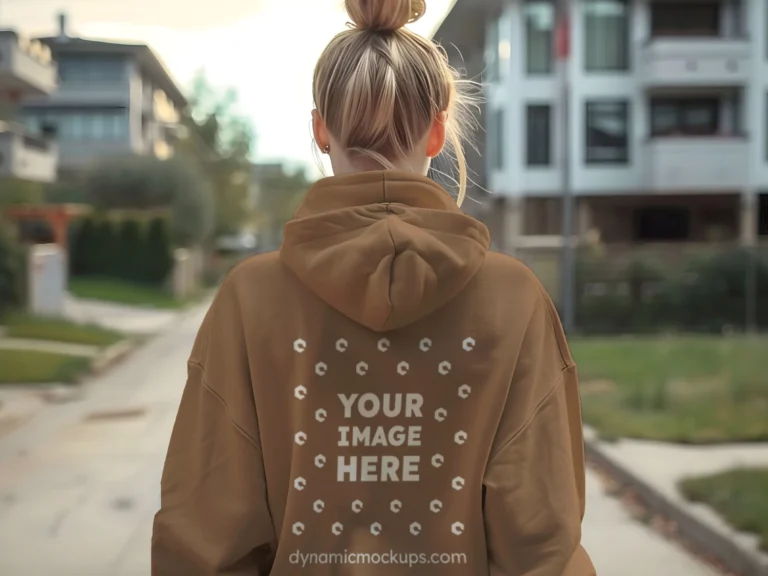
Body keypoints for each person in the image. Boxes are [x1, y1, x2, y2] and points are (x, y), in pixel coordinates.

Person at [151, 0, 596, 574]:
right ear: (438, 132)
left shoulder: (249, 299)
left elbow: (204, 534)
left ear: (320, 129)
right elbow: (542, 544)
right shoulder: (513, 300)